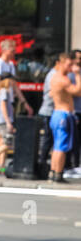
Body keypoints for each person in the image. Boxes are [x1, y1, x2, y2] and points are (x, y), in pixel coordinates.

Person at [46, 51, 81, 184]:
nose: (71, 68)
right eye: (69, 65)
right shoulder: (62, 79)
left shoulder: (54, 77)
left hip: (57, 114)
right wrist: (77, 75)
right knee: (61, 146)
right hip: (63, 114)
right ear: (60, 63)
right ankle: (58, 174)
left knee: (57, 146)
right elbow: (78, 91)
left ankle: (54, 172)